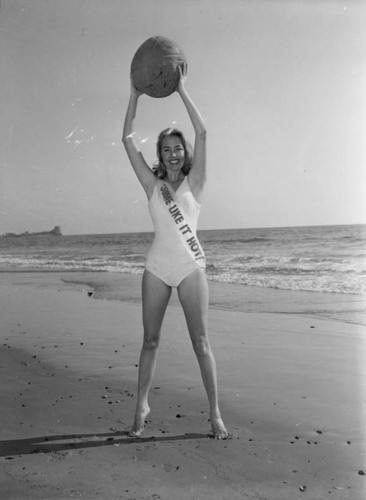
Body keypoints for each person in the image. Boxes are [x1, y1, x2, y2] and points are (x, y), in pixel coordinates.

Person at [122, 68, 228, 439]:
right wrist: (135, 94)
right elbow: (126, 139)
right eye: (165, 150)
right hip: (157, 268)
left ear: (185, 154)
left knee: (201, 343)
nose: (171, 154)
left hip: (189, 268)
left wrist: (181, 88)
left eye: (177, 149)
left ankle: (214, 414)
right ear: (160, 156)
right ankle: (141, 406)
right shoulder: (152, 185)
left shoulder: (196, 182)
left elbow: (202, 131)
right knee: (150, 340)